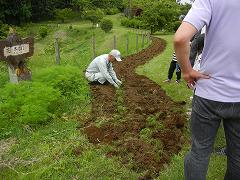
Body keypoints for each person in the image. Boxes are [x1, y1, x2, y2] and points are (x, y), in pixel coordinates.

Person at [174, 0, 240, 179]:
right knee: (237, 157)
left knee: (199, 152)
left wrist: (187, 71)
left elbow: (180, 39)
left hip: (210, 93)